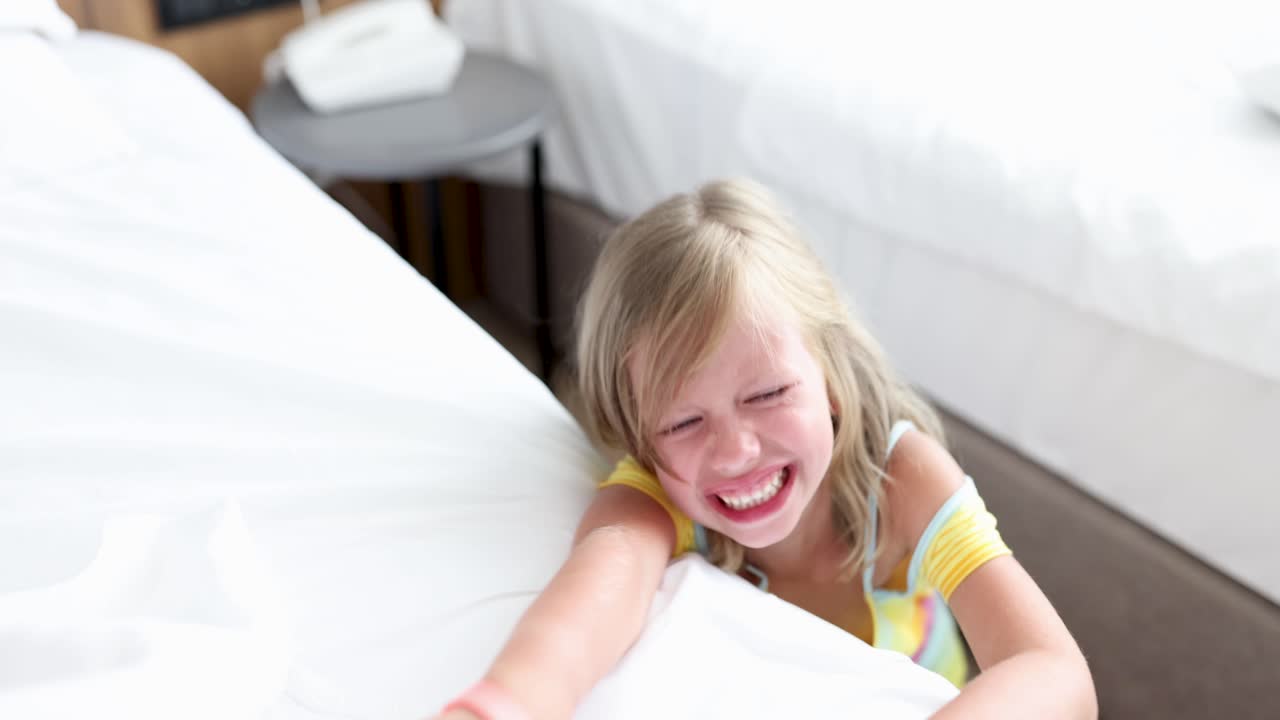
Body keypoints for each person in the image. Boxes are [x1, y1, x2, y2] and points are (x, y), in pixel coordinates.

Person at [435, 179, 1096, 720]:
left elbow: (1053, 671)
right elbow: (579, 618)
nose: (735, 450)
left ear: (833, 378)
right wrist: (505, 706)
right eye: (684, 422)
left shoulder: (902, 478)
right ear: (638, 435)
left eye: (769, 393)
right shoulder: (654, 498)